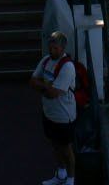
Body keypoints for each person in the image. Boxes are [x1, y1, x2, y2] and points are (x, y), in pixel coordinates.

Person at [30, 31, 77, 185]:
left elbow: (53, 94)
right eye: (50, 48)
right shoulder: (46, 60)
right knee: (55, 145)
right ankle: (61, 174)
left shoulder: (67, 67)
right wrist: (47, 87)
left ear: (63, 48)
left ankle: (70, 179)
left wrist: (42, 87)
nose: (52, 51)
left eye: (55, 48)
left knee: (66, 149)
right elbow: (32, 81)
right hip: (49, 113)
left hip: (64, 116)